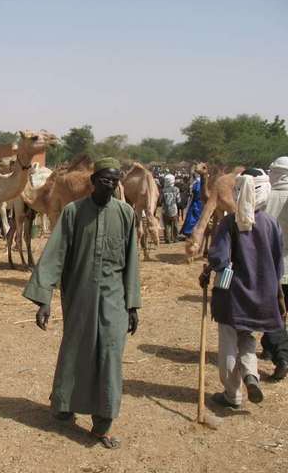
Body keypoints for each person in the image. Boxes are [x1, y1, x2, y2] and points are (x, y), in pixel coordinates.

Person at [23, 157, 141, 450]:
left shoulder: (126, 214)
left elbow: (132, 263)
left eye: (116, 181)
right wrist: (44, 299)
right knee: (75, 348)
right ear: (93, 181)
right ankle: (64, 403)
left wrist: (133, 305)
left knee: (110, 355)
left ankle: (103, 424)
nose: (111, 185)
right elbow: (56, 253)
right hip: (79, 295)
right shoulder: (74, 212)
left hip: (114, 299)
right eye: (106, 180)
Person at [199, 168, 284, 408]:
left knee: (228, 341)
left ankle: (232, 394)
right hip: (261, 294)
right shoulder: (270, 223)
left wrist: (209, 271)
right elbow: (277, 264)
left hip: (232, 294)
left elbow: (219, 260)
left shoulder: (229, 223)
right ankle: (251, 376)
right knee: (246, 337)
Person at [259, 157, 288, 380]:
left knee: (274, 314)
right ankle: (269, 347)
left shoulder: (264, 197)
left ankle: (282, 356)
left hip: (269, 266)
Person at [180, 172, 203, 238]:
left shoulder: (196, 184)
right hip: (199, 202)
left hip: (196, 202)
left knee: (192, 217)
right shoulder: (200, 183)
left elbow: (195, 192)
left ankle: (189, 231)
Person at [161, 174, 181, 243]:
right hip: (174, 209)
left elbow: (161, 200)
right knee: (175, 225)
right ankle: (175, 238)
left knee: (167, 225)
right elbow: (178, 200)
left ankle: (167, 239)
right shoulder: (176, 189)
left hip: (165, 210)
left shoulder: (163, 190)